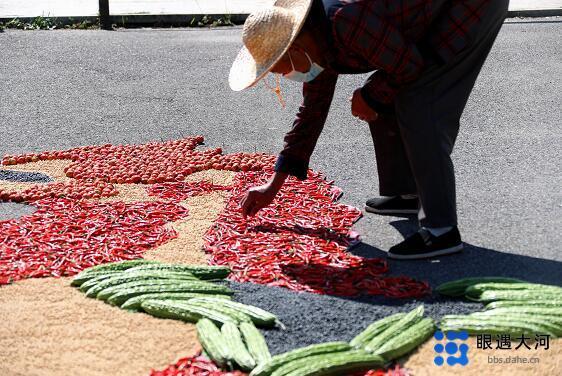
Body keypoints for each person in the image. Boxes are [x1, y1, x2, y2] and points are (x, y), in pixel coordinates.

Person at [229, 0, 509, 260]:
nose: (284, 76)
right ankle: (408, 193)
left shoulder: (344, 22)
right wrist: (272, 187)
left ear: (296, 44)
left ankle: (441, 230)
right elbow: (311, 115)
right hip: (429, 17)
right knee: (387, 92)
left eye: (281, 68)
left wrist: (370, 95)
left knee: (419, 102)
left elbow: (410, 65)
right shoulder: (316, 44)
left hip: (469, 8)